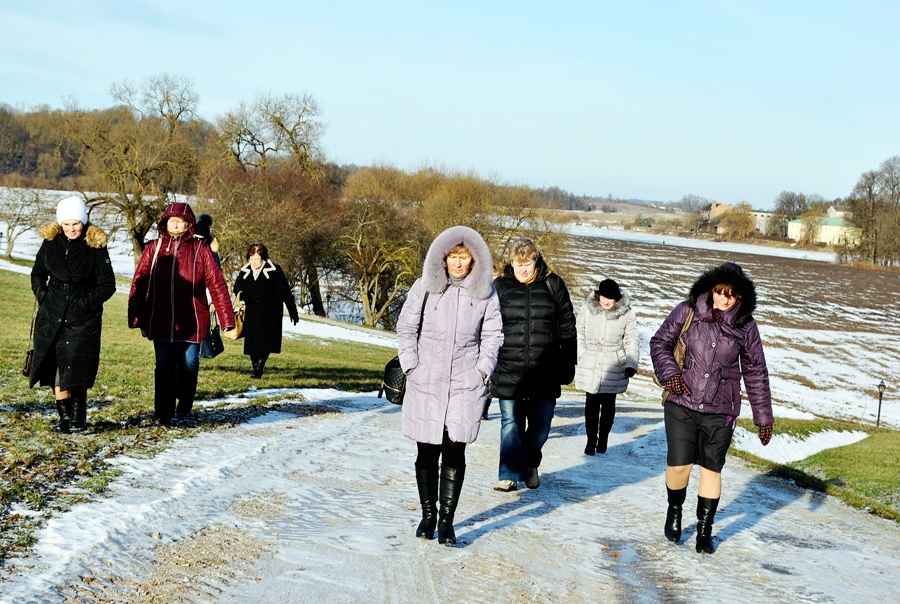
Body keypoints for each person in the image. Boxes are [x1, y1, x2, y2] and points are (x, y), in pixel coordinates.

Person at [650, 262, 773, 554]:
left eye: (732, 295)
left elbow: (756, 371)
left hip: (722, 410)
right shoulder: (687, 310)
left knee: (711, 470)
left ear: (741, 297)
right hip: (682, 404)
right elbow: (659, 343)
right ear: (712, 289)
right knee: (679, 466)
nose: (725, 299)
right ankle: (675, 509)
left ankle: (704, 530)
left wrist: (763, 417)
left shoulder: (747, 326)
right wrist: (671, 376)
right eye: (720, 292)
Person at [398, 225, 503, 545]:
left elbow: (493, 336)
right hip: (426, 381)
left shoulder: (485, 292)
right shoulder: (424, 287)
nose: (458, 263)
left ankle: (447, 521)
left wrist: (481, 372)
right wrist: (411, 365)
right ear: (443, 257)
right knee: (427, 451)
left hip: (464, 384)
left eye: (464, 257)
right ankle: (428, 516)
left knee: (455, 451)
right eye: (453, 256)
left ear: (474, 259)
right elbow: (406, 328)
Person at [127, 203, 235, 425]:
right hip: (160, 318)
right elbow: (139, 281)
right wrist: (136, 316)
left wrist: (227, 319)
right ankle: (163, 413)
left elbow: (217, 285)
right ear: (165, 223)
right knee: (164, 366)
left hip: (193, 320)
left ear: (188, 225)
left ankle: (185, 401)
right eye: (171, 220)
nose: (175, 224)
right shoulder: (153, 249)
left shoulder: (200, 249)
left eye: (180, 221)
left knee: (189, 365)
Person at [490, 238, 577, 492]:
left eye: (527, 263)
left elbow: (568, 327)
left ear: (536, 261)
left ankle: (530, 462)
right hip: (509, 369)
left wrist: (568, 364)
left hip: (545, 369)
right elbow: (489, 327)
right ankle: (508, 474)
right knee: (511, 423)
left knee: (541, 424)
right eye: (519, 264)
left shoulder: (553, 284)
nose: (523, 269)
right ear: (511, 263)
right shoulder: (500, 287)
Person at [30, 195, 116, 433]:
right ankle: (64, 417)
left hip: (82, 317)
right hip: (52, 311)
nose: (71, 229)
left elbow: (107, 285)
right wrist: (44, 296)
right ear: (60, 224)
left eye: (75, 223)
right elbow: (37, 273)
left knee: (76, 367)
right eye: (66, 224)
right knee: (52, 366)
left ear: (84, 221)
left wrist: (83, 304)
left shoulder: (95, 246)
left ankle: (78, 418)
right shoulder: (50, 242)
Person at [575, 278, 639, 455]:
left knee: (609, 405)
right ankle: (590, 441)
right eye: (603, 296)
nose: (606, 301)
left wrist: (631, 363)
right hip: (591, 361)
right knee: (591, 404)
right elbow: (579, 331)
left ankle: (603, 439)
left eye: (610, 298)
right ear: (598, 295)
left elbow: (632, 339)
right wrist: (582, 354)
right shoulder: (587, 309)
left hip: (614, 363)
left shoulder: (627, 314)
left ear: (616, 298)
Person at [232, 243, 300, 378]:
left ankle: (259, 368)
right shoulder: (244, 272)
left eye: (257, 258)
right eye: (252, 259)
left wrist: (293, 311)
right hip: (252, 311)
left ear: (263, 258)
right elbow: (237, 288)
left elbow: (285, 292)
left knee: (265, 342)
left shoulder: (275, 271)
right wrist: (243, 295)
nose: (254, 262)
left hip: (271, 312)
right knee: (252, 342)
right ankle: (255, 368)